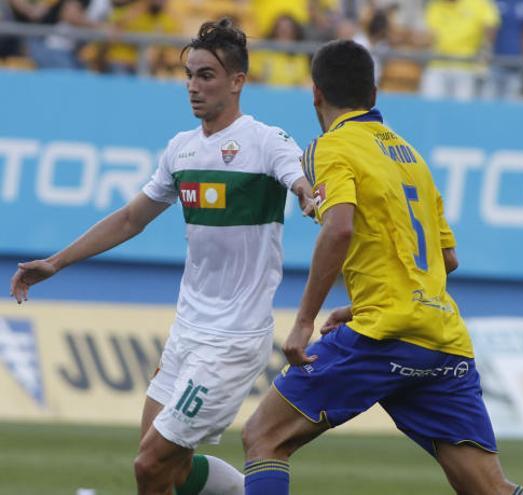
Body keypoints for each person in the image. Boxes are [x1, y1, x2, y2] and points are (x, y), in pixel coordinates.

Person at [9, 18, 312, 495]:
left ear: (237, 82)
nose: (193, 86)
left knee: (150, 466)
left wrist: (308, 194)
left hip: (232, 341)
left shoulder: (265, 141)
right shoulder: (182, 149)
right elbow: (132, 218)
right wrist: (57, 262)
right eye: (189, 75)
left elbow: (298, 178)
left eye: (206, 75)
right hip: (187, 332)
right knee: (163, 467)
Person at [240, 39, 523, 495]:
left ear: (315, 94)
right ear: (374, 93)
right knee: (490, 489)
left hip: (384, 335)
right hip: (442, 338)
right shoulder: (411, 157)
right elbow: (447, 259)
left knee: (264, 437)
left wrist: (303, 322)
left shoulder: (328, 148)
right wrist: (359, 306)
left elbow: (339, 229)